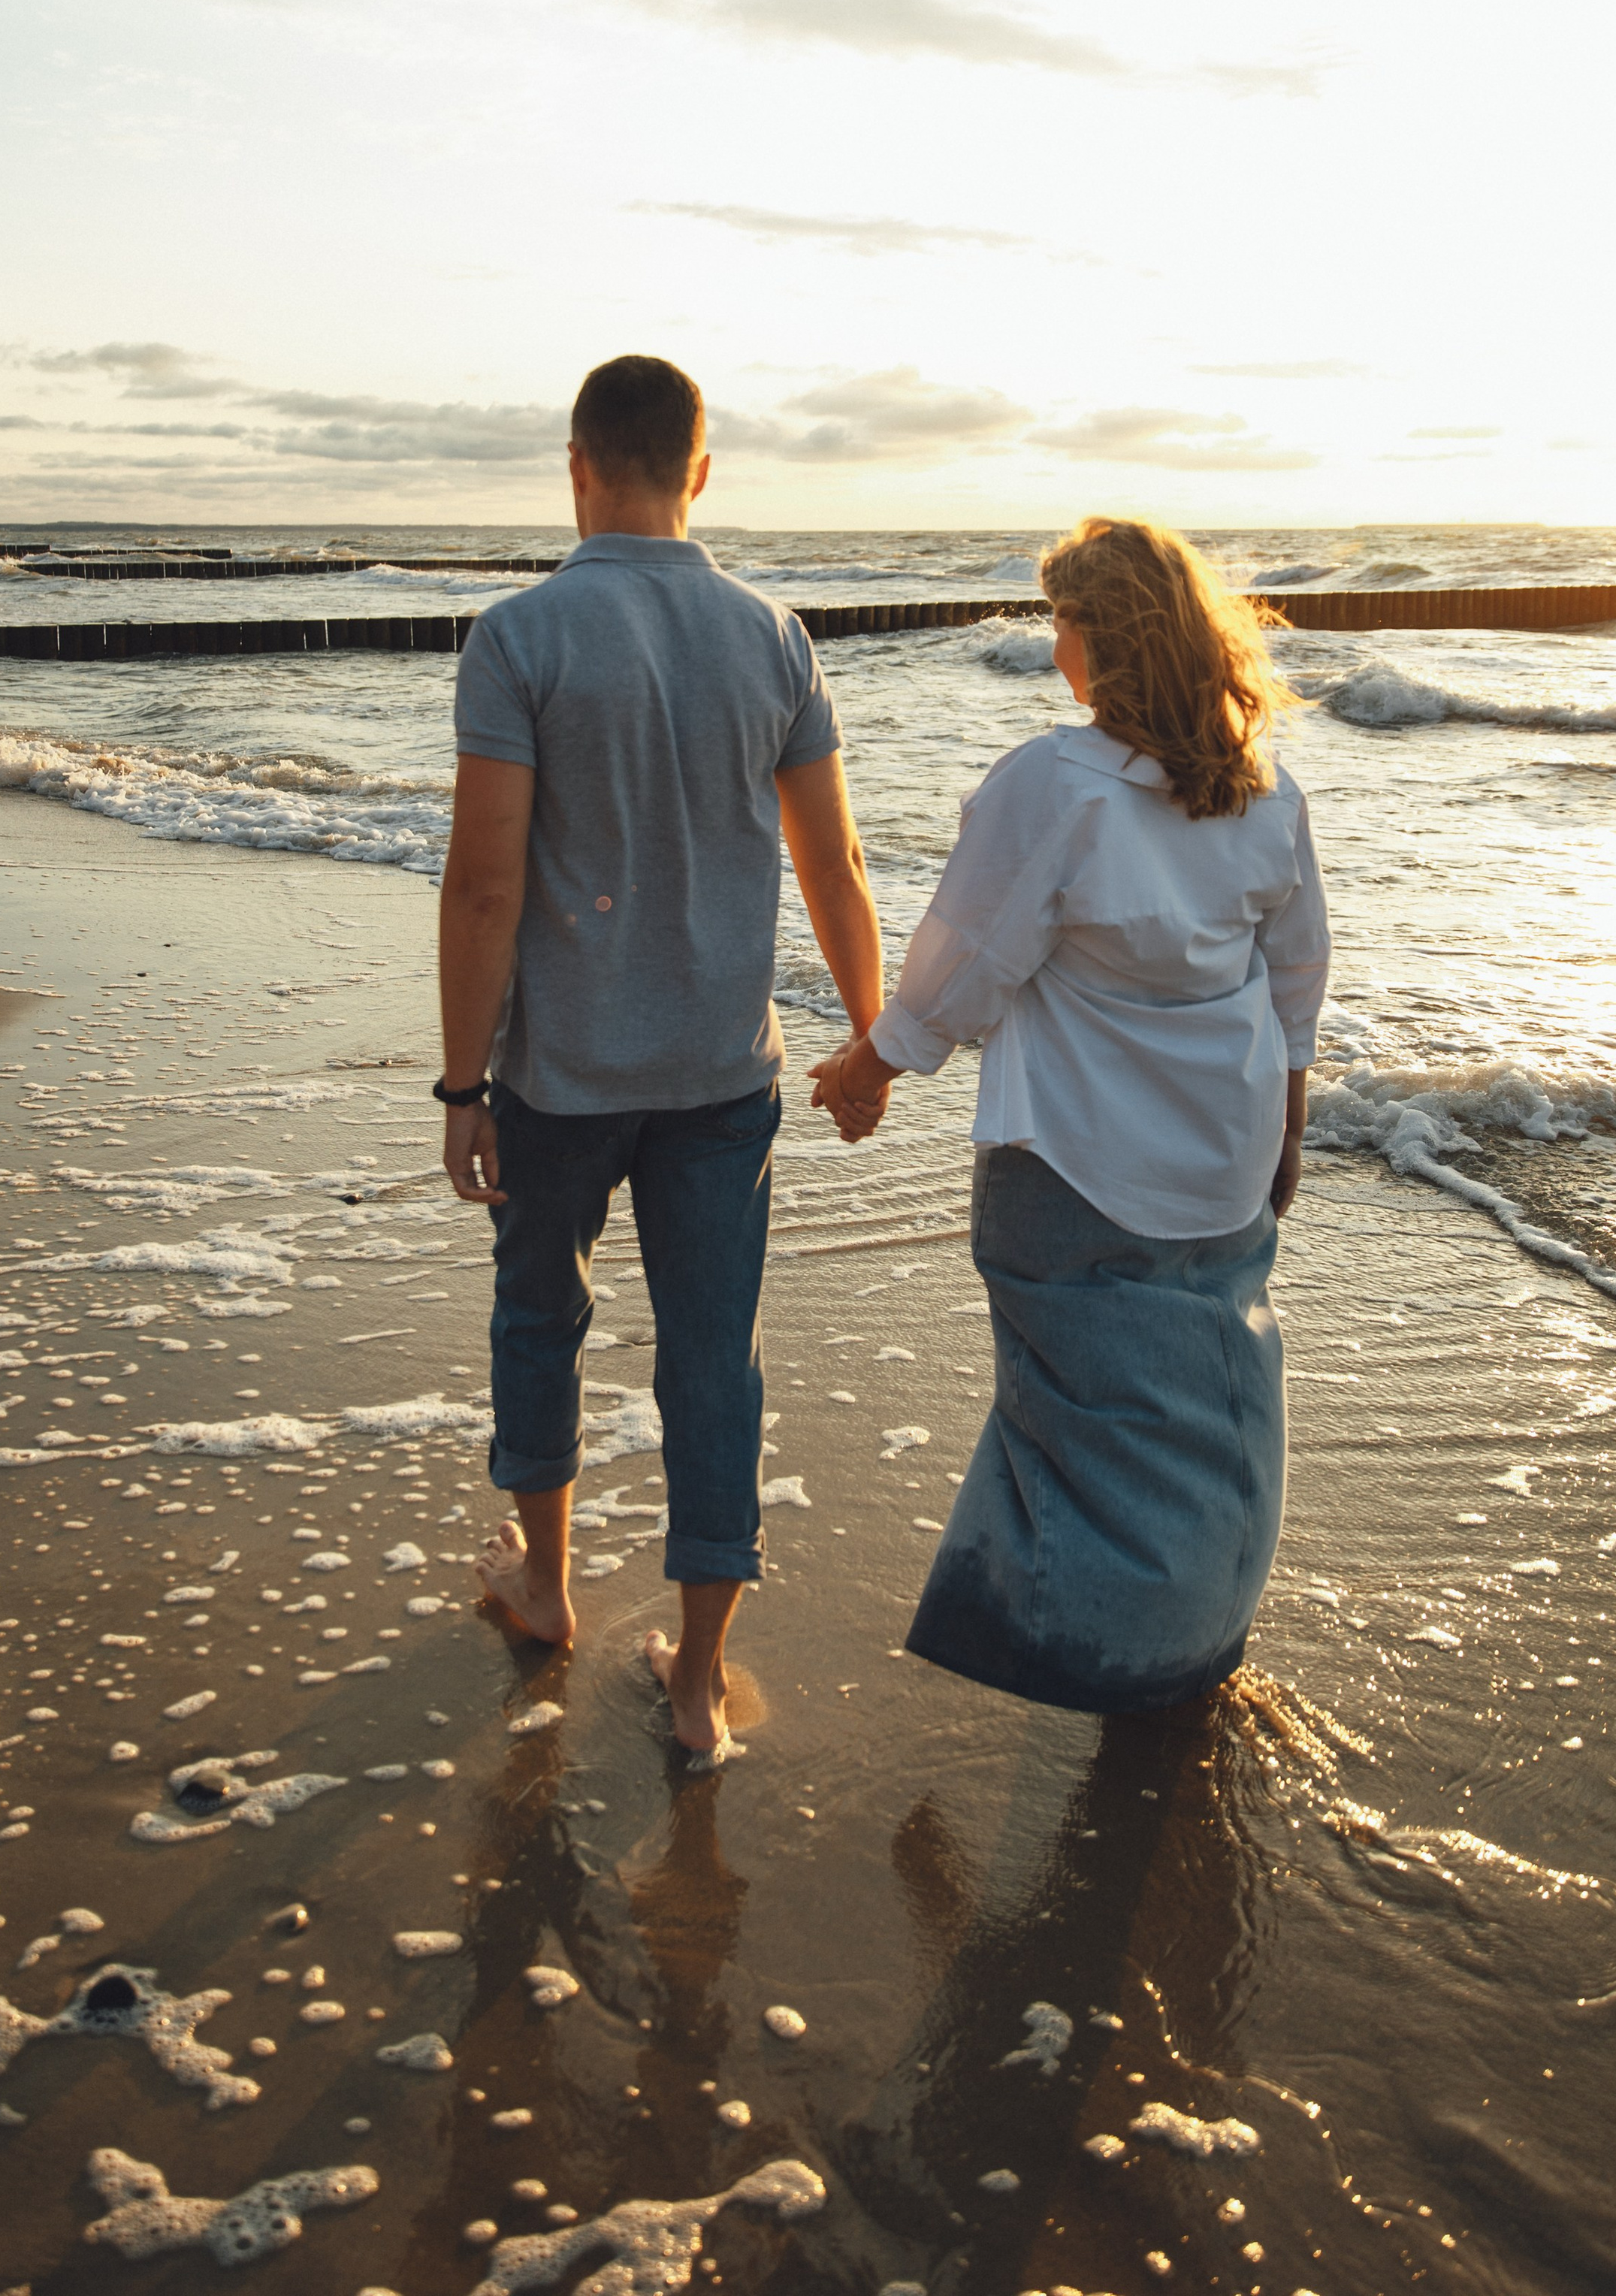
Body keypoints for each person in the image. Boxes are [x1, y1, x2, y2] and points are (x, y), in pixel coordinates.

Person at [438, 354, 887, 1755]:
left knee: (540, 1320)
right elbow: (836, 859)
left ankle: (550, 1585)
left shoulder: (519, 636)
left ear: (576, 464)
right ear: (703, 467)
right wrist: (872, 1033)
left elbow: (484, 888)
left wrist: (463, 1083)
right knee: (711, 1361)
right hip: (719, 1079)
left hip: (559, 1076)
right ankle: (696, 1685)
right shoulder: (775, 637)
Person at [811, 515, 1329, 1712]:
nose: (1055, 646)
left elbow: (965, 962)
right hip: (1226, 1156)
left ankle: (1109, 1650)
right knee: (1207, 1408)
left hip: (1079, 1164)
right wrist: (1289, 1122)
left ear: (1107, 641)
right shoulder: (1262, 789)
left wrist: (871, 1065)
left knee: (1084, 1424)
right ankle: (1200, 1631)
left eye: (1064, 623)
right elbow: (1298, 979)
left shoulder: (1057, 783)